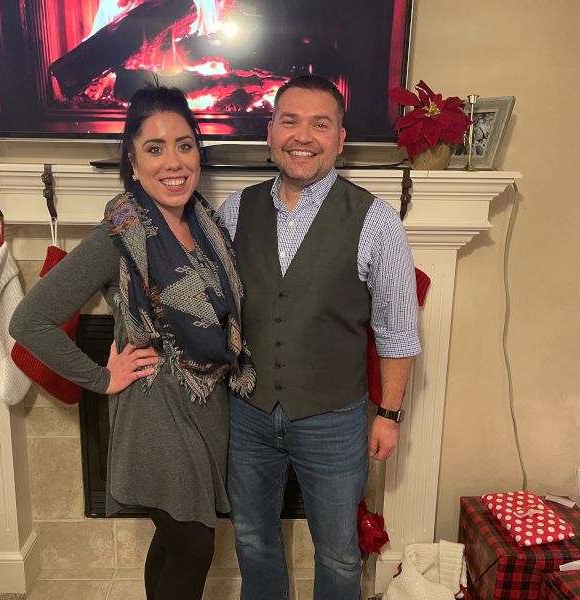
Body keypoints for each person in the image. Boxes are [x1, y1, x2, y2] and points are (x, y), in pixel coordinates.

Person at [9, 85, 254, 600]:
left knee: (174, 538)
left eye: (184, 145)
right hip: (155, 410)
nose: (174, 162)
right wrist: (102, 378)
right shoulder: (119, 235)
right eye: (155, 148)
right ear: (133, 161)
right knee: (193, 544)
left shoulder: (207, 226)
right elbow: (30, 320)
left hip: (208, 405)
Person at [217, 75, 421, 600]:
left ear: (339, 139)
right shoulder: (234, 211)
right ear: (270, 132)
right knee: (252, 539)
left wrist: (389, 414)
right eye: (290, 121)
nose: (302, 136)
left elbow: (398, 331)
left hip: (334, 419)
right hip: (247, 413)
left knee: (338, 553)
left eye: (320, 124)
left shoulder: (377, 221)